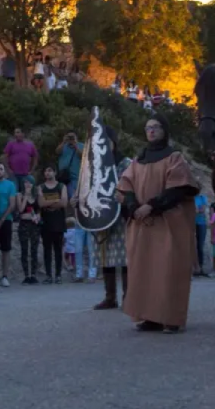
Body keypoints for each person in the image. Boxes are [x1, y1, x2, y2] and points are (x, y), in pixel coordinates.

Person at [117, 113, 200, 334]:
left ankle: (171, 318)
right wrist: (134, 207)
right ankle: (150, 317)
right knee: (145, 270)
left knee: (168, 270)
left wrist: (152, 206)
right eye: (148, 128)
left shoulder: (174, 157)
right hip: (143, 225)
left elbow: (179, 188)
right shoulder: (139, 159)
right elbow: (126, 186)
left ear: (164, 131)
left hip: (168, 223)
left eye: (156, 127)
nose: (151, 131)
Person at [88, 126, 132, 308]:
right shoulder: (96, 166)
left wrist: (125, 200)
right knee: (106, 257)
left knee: (125, 258)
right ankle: (110, 297)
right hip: (103, 216)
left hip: (122, 216)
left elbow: (133, 187)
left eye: (108, 141)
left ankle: (128, 297)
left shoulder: (126, 164)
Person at [40, 166, 70, 286]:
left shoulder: (61, 186)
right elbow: (41, 203)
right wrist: (55, 200)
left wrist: (48, 202)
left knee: (58, 249)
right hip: (46, 222)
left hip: (58, 221)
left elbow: (63, 203)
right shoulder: (41, 187)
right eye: (46, 170)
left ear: (55, 172)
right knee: (47, 250)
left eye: (50, 170)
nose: (48, 173)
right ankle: (48, 275)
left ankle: (58, 275)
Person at [16, 176, 41, 285]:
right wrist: (26, 196)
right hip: (24, 225)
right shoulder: (20, 195)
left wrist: (37, 217)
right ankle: (26, 275)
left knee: (34, 249)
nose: (28, 185)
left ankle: (34, 274)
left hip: (34, 225)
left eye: (30, 183)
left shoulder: (36, 196)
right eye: (25, 183)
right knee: (24, 250)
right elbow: (20, 209)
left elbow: (40, 209)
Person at [193, 192, 210, 277]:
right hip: (191, 223)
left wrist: (195, 210)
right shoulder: (190, 198)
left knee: (200, 245)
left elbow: (202, 210)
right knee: (192, 246)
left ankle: (200, 267)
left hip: (201, 223)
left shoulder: (202, 197)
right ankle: (194, 267)